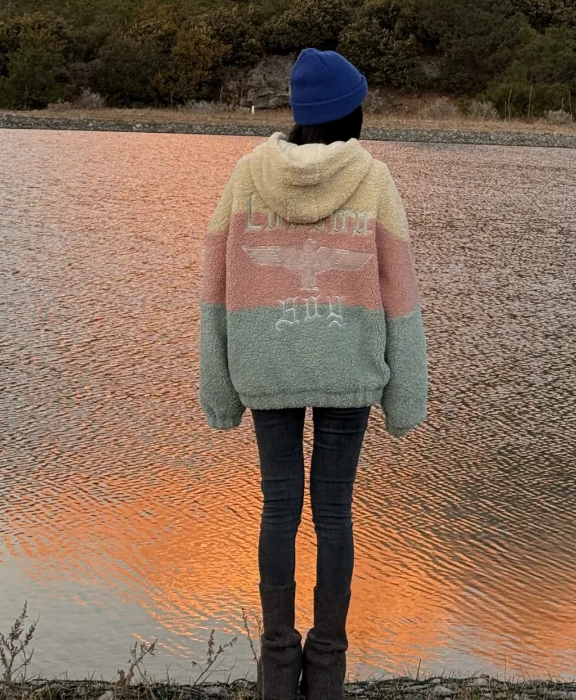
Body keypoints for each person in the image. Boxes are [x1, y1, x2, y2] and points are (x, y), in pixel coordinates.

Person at [199, 47, 429, 700]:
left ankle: (278, 667)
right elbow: (402, 294)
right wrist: (406, 395)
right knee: (332, 511)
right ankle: (325, 667)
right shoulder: (374, 180)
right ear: (350, 112)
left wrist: (217, 386)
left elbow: (211, 288)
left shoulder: (245, 177)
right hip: (348, 364)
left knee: (278, 507)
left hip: (266, 364)